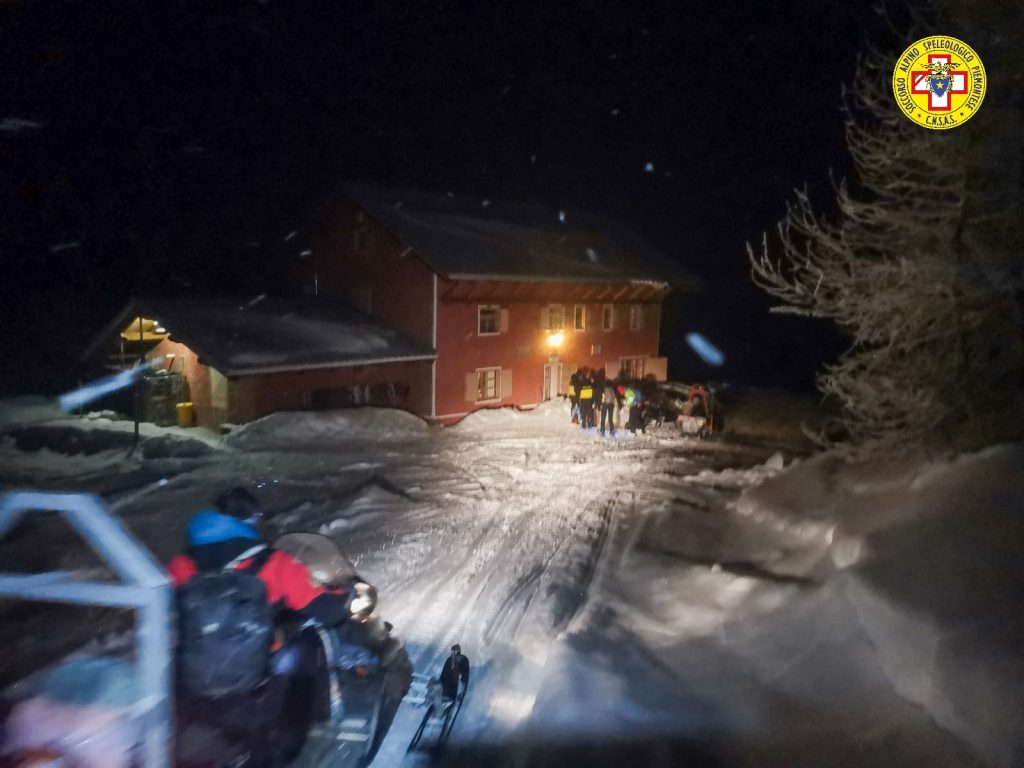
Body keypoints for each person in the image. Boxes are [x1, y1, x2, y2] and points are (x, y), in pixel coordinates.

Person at [168, 487, 352, 767]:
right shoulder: (271, 563)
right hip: (252, 688)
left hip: (189, 685)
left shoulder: (182, 564)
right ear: (252, 521)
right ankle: (319, 723)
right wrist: (345, 595)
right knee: (307, 643)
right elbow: (327, 610)